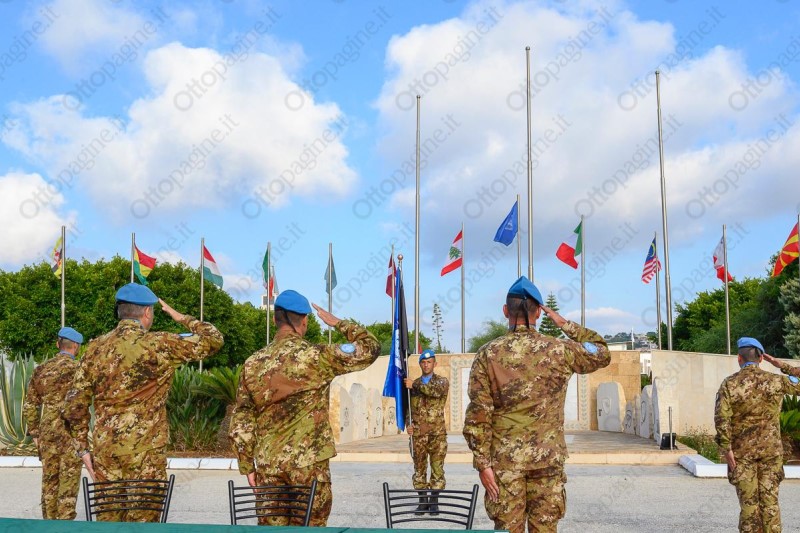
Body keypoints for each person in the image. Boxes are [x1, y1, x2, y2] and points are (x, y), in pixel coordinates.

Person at [61, 283, 223, 522]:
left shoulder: (94, 348)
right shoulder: (160, 344)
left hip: (106, 453)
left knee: (109, 524)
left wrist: (83, 450)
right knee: (144, 525)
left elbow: (73, 405)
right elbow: (214, 339)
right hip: (146, 453)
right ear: (147, 312)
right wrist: (180, 317)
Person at [462, 276, 610, 533]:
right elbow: (602, 353)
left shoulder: (488, 353)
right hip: (547, 461)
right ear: (539, 312)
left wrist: (483, 464)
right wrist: (563, 323)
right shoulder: (560, 350)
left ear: (505, 311)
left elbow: (478, 416)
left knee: (507, 530)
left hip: (505, 463)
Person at [229, 290, 380, 526]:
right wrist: (338, 323)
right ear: (305, 321)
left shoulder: (252, 363)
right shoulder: (316, 356)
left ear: (275, 320)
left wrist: (247, 465)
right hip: (309, 466)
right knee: (310, 529)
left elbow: (241, 420)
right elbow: (370, 347)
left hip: (269, 467)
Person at [714, 337, 800, 532]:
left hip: (741, 455)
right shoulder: (776, 381)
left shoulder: (729, 384)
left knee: (749, 506)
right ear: (761, 358)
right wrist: (782, 366)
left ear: (739, 358)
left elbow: (721, 418)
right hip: (771, 454)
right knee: (770, 504)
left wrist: (726, 449)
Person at [23, 327, 89, 520]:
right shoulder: (79, 370)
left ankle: (49, 525)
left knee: (49, 481)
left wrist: (35, 433)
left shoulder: (41, 370)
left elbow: (30, 404)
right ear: (75, 346)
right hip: (71, 433)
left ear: (57, 344)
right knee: (68, 482)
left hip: (48, 431)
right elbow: (83, 404)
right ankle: (64, 525)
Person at [404, 348, 449, 515]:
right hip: (418, 434)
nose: (426, 365)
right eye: (423, 362)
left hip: (437, 434)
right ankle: (423, 501)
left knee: (437, 468)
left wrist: (414, 385)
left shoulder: (441, 382)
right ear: (420, 364)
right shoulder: (412, 385)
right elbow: (409, 408)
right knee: (419, 468)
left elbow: (434, 392)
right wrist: (408, 424)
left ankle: (434, 502)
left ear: (434, 364)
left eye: (429, 362)